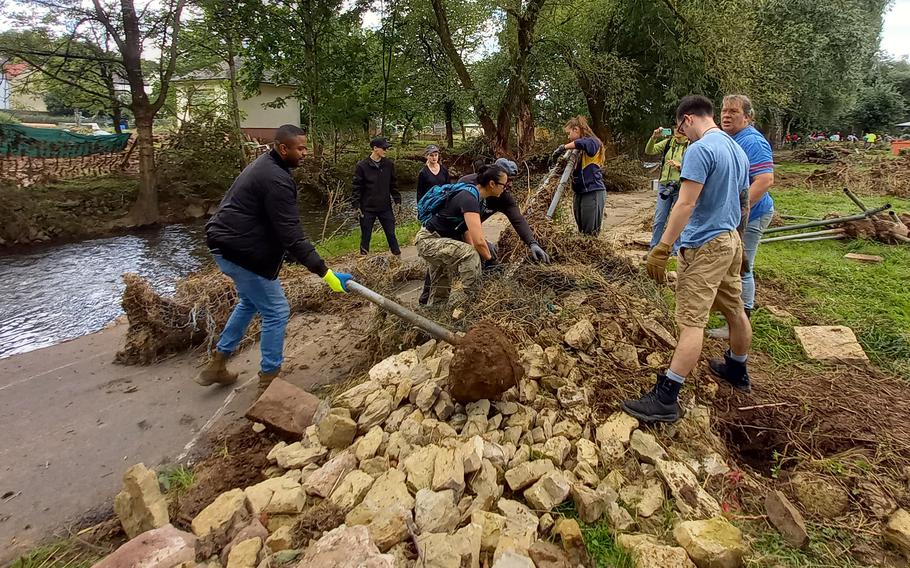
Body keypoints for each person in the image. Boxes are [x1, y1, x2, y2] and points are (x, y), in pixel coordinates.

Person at [623, 95, 752, 423]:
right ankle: (737, 368)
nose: (682, 133)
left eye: (681, 127)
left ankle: (666, 396)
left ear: (689, 118)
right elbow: (743, 200)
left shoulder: (700, 150)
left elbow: (685, 204)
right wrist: (740, 244)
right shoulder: (735, 148)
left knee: (691, 323)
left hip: (705, 246)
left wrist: (662, 247)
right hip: (730, 241)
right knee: (735, 309)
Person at [198, 125, 353, 389]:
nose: (305, 153)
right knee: (276, 310)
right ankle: (268, 380)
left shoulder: (267, 166)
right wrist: (326, 274)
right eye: (300, 148)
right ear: (283, 148)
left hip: (224, 243)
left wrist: (290, 254)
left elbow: (272, 225)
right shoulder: (277, 180)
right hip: (240, 250)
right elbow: (292, 234)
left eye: (306, 147)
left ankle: (217, 363)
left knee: (248, 301)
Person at [416, 159, 550, 304]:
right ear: (493, 180)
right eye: (507, 180)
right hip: (442, 234)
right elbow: (470, 232)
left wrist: (532, 243)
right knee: (470, 255)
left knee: (483, 252)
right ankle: (471, 301)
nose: (509, 185)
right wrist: (487, 258)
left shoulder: (502, 195)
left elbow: (517, 219)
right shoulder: (470, 190)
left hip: (459, 229)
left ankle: (436, 307)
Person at [707, 94, 775, 339]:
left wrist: (737, 210)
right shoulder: (731, 138)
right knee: (732, 266)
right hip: (735, 216)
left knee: (743, 266)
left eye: (733, 112)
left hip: (752, 215)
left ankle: (739, 323)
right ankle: (731, 314)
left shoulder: (752, 141)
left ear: (747, 117)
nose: (726, 115)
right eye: (724, 111)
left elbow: (765, 180)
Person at [415, 164, 511, 306]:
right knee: (470, 254)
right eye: (504, 185)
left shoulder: (477, 199)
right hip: (429, 241)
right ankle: (473, 303)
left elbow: (467, 232)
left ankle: (434, 313)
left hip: (440, 241)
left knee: (441, 286)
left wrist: (483, 255)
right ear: (492, 184)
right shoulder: (469, 198)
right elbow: (479, 241)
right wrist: (491, 260)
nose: (505, 188)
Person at [551, 116, 607, 235]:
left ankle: (592, 252)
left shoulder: (593, 142)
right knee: (581, 230)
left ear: (576, 129)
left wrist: (563, 147)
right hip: (580, 192)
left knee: (589, 232)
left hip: (592, 191)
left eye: (569, 133)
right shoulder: (578, 150)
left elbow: (584, 143)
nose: (568, 137)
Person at [353, 136, 402, 256]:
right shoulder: (362, 166)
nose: (386, 150)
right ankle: (363, 261)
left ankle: (397, 257)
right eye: (384, 148)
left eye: (387, 148)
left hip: (385, 207)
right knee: (366, 235)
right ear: (375, 148)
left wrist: (397, 200)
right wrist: (356, 205)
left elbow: (393, 184)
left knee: (391, 233)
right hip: (367, 208)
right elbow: (356, 187)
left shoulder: (389, 165)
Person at [644, 125, 689, 252]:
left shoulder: (691, 145)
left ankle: (676, 251)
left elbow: (694, 166)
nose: (677, 131)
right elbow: (649, 151)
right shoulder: (669, 142)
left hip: (680, 187)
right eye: (675, 128)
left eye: (680, 129)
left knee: (679, 219)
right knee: (659, 218)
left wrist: (680, 166)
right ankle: (654, 248)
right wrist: (653, 138)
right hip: (664, 185)